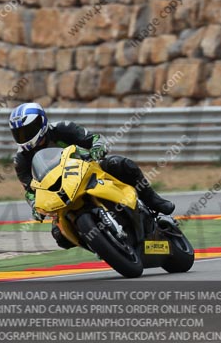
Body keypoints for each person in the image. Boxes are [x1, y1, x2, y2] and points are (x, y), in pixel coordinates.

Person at [10, 102, 175, 250]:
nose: (24, 137)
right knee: (60, 236)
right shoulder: (21, 159)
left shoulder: (62, 128)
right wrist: (35, 206)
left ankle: (153, 199)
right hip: (60, 192)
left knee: (121, 164)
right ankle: (103, 247)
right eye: (19, 133)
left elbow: (94, 138)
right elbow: (30, 189)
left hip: (87, 169)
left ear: (41, 123)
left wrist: (97, 148)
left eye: (28, 131)